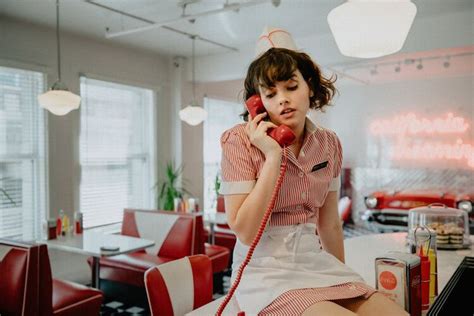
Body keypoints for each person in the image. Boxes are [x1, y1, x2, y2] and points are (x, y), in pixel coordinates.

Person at [219, 28, 408, 316]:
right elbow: (245, 231)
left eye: (291, 87)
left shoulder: (328, 143)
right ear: (258, 103)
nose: (282, 99)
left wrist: (344, 278)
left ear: (309, 85)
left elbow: (329, 223)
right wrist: (272, 157)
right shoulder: (239, 141)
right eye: (270, 94)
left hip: (316, 263)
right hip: (266, 272)